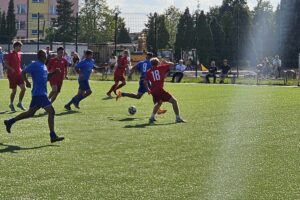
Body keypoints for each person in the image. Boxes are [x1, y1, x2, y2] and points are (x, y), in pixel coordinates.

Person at [3, 50, 64, 143]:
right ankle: (53, 136)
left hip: (39, 94)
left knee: (30, 113)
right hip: (40, 94)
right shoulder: (35, 64)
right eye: (45, 54)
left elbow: (46, 77)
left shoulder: (43, 66)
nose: (47, 56)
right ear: (41, 56)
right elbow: (23, 72)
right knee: (51, 112)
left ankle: (10, 122)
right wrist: (26, 82)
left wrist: (54, 73)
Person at [144, 57, 186, 124]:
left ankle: (152, 117)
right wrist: (166, 62)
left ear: (151, 64)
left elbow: (145, 81)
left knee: (159, 103)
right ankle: (178, 118)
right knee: (174, 101)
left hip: (153, 90)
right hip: (159, 90)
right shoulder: (161, 68)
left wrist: (148, 89)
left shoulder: (149, 71)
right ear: (158, 63)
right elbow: (172, 64)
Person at [4, 41, 26, 111]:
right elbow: (6, 64)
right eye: (19, 46)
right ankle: (11, 104)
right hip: (12, 75)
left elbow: (18, 65)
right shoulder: (10, 54)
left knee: (24, 88)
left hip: (19, 74)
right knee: (14, 91)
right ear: (15, 47)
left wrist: (21, 70)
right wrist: (11, 69)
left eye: (20, 46)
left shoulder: (19, 54)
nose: (20, 48)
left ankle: (19, 103)